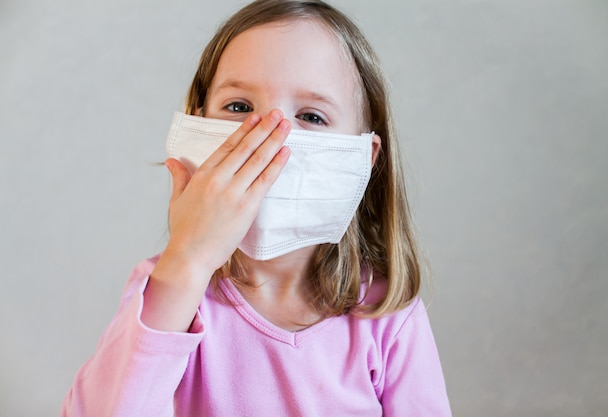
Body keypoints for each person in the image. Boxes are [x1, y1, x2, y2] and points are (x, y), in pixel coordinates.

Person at [61, 0, 452, 415]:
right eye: (239, 107)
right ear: (197, 128)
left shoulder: (385, 311)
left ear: (362, 158)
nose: (267, 138)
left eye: (311, 117)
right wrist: (187, 261)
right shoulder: (167, 289)